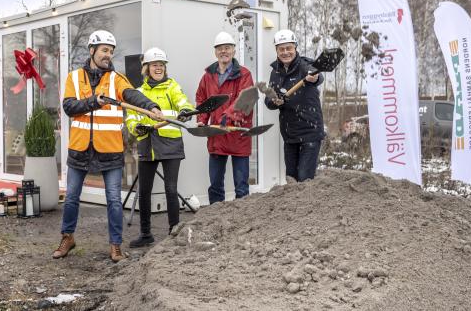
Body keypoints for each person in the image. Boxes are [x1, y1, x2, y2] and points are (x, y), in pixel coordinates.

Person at [53, 30, 164, 262]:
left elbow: (133, 95)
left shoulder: (116, 79)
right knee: (72, 197)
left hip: (110, 150)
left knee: (114, 199)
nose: (108, 55)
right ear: (92, 50)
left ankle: (115, 245)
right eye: (104, 50)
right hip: (80, 149)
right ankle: (67, 237)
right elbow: (69, 107)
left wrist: (151, 106)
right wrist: (95, 101)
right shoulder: (74, 78)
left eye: (111, 52)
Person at [125, 47, 195, 247]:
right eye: (155, 65)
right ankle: (146, 234)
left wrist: (185, 111)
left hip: (171, 145)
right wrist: (136, 127)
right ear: (146, 68)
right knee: (144, 191)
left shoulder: (172, 86)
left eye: (161, 65)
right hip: (148, 145)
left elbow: (184, 102)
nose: (159, 68)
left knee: (171, 189)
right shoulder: (139, 93)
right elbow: (131, 118)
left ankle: (174, 232)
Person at [196, 31, 254, 204]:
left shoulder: (244, 74)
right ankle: (215, 219)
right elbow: (202, 98)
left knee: (241, 186)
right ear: (215, 52)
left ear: (234, 51)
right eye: (220, 48)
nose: (224, 51)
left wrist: (225, 118)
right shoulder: (208, 76)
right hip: (217, 136)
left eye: (227, 48)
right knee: (215, 185)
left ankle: (242, 222)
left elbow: (245, 101)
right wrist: (201, 119)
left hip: (238, 135)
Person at [264, 29, 325, 183]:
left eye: (289, 48)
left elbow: (317, 76)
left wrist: (315, 77)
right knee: (291, 179)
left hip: (309, 130)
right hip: (289, 133)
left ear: (295, 48)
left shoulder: (305, 65)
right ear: (276, 51)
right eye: (281, 49)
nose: (285, 52)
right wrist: (274, 101)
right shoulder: (275, 72)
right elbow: (268, 101)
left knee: (305, 178)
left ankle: (309, 206)